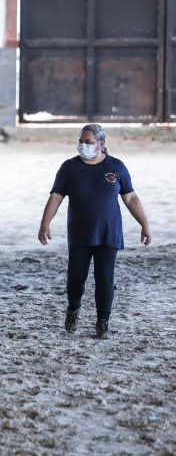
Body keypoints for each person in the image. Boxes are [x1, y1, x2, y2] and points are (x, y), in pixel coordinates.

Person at [38, 123, 151, 339]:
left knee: (105, 279)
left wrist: (144, 224)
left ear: (101, 144)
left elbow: (131, 198)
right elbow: (55, 197)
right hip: (80, 233)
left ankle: (103, 322)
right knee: (76, 278)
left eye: (88, 142)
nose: (83, 146)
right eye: (81, 141)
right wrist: (45, 224)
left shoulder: (116, 167)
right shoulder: (69, 168)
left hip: (109, 233)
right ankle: (73, 309)